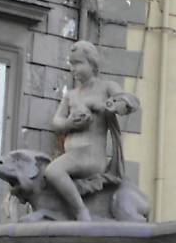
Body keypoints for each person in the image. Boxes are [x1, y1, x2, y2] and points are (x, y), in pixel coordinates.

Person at [46, 40, 139, 221]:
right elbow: (56, 122)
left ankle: (81, 211)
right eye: (71, 64)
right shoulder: (71, 95)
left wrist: (106, 106)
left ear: (92, 63)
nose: (73, 68)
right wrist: (70, 123)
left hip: (90, 156)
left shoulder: (106, 87)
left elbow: (129, 103)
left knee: (53, 172)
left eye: (78, 63)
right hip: (73, 155)